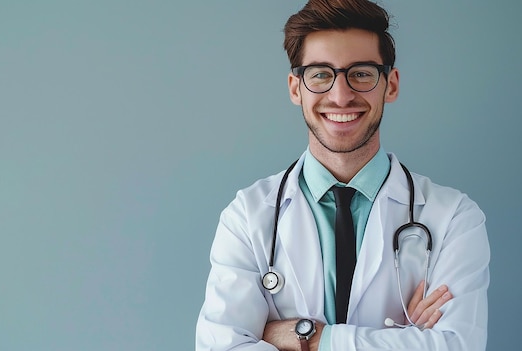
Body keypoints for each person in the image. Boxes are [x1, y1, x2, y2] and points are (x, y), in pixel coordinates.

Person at [195, 0, 490, 350]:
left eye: (361, 73)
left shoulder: (454, 217)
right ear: (295, 88)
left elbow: (458, 346)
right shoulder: (246, 217)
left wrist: (309, 337)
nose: (341, 95)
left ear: (391, 85)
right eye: (320, 74)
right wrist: (404, 341)